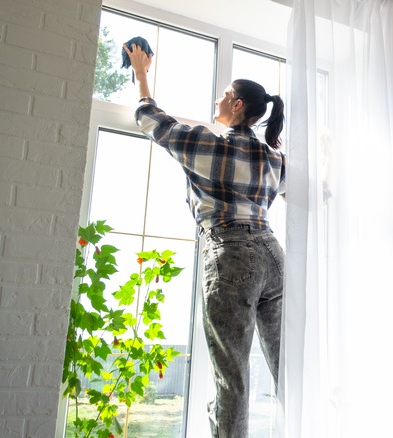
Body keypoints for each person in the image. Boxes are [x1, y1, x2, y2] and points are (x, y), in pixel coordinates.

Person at [123, 42, 286, 438]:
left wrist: (141, 73)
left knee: (233, 377)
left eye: (225, 94)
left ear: (237, 106)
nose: (218, 98)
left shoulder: (209, 144)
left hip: (231, 255)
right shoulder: (274, 159)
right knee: (287, 368)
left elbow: (152, 119)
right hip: (273, 257)